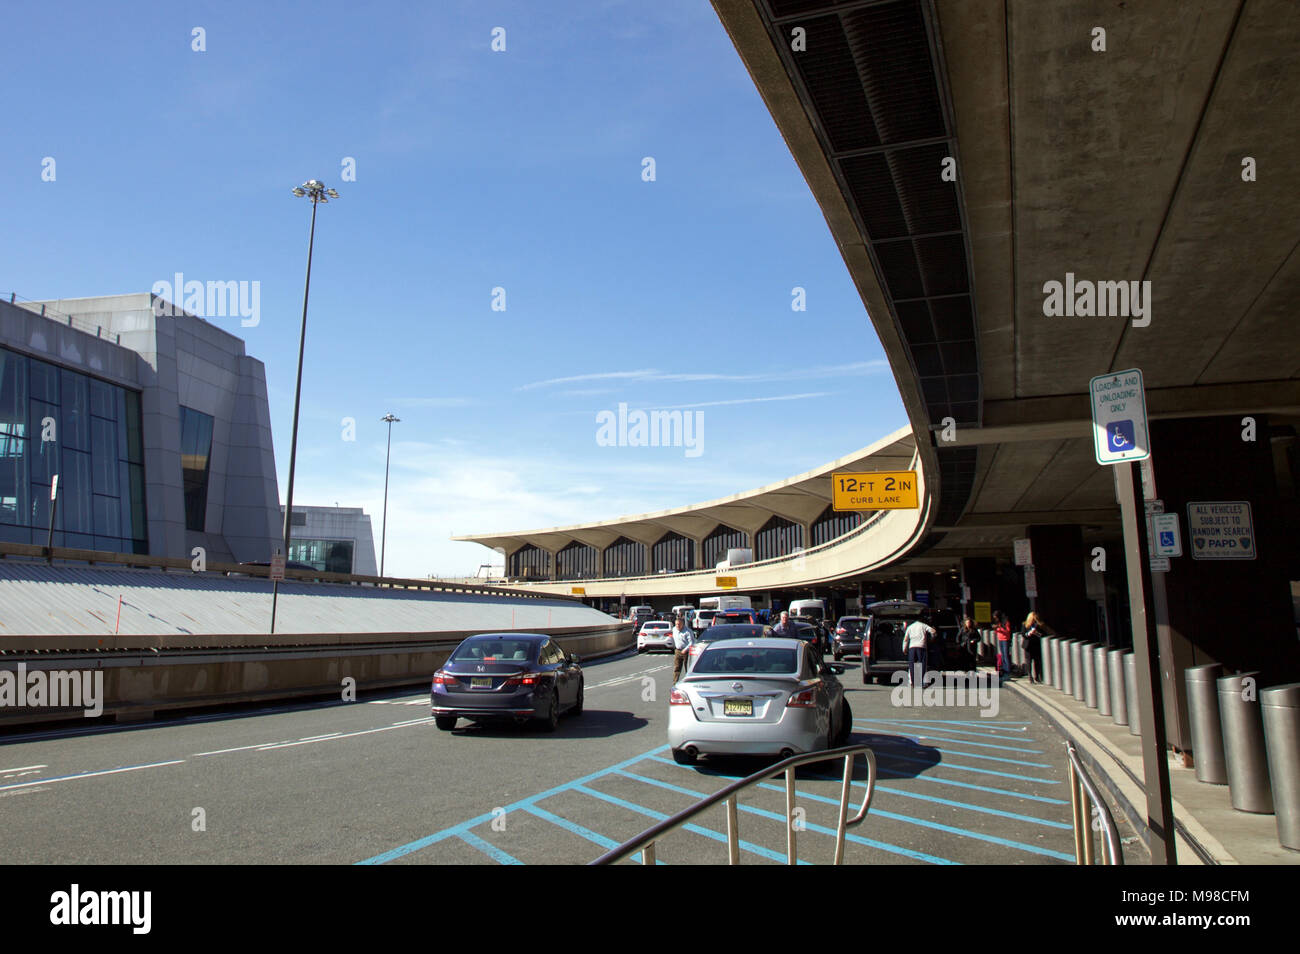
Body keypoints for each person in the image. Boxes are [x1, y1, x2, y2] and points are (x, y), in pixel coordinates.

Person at [902, 614, 936, 687]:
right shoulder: (924, 626)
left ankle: (912, 682)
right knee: (923, 665)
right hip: (921, 647)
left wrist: (904, 648)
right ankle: (922, 682)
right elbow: (933, 631)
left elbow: (906, 639)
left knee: (912, 665)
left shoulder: (910, 627)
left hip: (912, 647)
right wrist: (932, 638)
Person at [1022, 611, 1048, 684]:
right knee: (1029, 661)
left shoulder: (1038, 625)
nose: (1034, 621)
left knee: (1037, 661)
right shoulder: (1025, 625)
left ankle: (1037, 676)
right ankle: (1030, 676)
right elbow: (1023, 634)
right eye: (1033, 619)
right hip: (1028, 645)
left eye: (1035, 619)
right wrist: (1029, 633)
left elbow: (1043, 635)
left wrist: (1037, 633)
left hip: (1036, 645)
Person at [670, 615, 694, 684]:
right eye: (676, 624)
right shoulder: (674, 629)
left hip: (686, 651)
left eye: (679, 624)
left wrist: (685, 649)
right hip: (678, 650)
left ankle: (689, 683)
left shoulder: (687, 631)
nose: (677, 625)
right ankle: (675, 683)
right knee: (677, 668)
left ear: (682, 624)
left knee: (687, 668)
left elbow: (692, 642)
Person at [994, 611, 1013, 679]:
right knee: (1002, 655)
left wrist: (1000, 629)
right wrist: (996, 629)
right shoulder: (998, 623)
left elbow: (1008, 631)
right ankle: (1004, 670)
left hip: (1005, 639)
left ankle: (1008, 671)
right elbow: (996, 631)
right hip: (1000, 639)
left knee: (1006, 655)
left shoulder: (1006, 622)